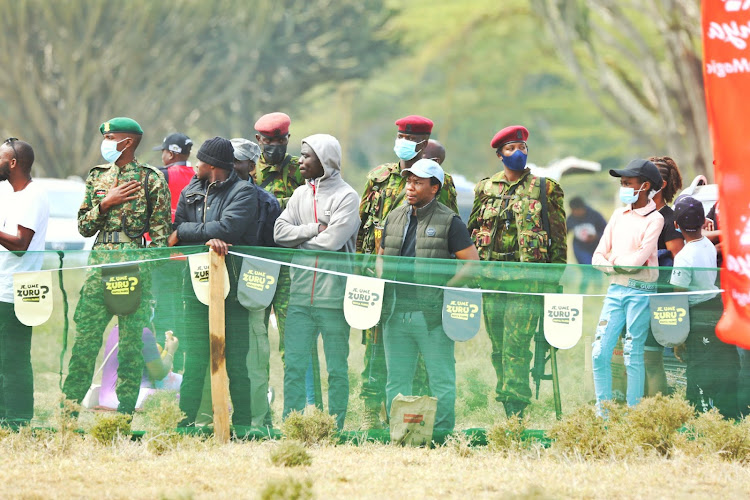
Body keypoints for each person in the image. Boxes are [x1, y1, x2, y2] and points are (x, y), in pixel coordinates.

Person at [63, 117, 172, 415]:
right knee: (85, 340)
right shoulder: (97, 176)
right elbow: (84, 227)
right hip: (99, 267)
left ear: (127, 142)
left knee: (131, 346)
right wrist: (106, 203)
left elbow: (161, 237)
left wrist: (144, 269)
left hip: (134, 269)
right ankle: (68, 411)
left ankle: (124, 414)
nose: (106, 143)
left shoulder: (150, 179)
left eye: (111, 138)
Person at [356, 115, 459, 428]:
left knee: (429, 368)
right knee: (376, 356)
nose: (403, 142)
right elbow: (363, 231)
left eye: (411, 138)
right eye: (400, 136)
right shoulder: (378, 178)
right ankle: (376, 419)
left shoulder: (442, 182)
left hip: (425, 294)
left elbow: (449, 232)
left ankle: (425, 424)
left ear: (425, 144)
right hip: (382, 289)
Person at [467, 125, 567, 417]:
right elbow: (473, 230)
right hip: (491, 278)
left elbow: (559, 238)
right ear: (500, 155)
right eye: (510, 149)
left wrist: (552, 281)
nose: (517, 153)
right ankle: (505, 396)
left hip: (527, 280)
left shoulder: (544, 188)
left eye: (522, 148)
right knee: (498, 346)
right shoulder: (485, 188)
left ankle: (516, 410)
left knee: (517, 345)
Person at [377, 159, 479, 431]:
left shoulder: (450, 221)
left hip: (432, 317)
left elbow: (471, 262)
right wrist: (381, 279)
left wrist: (445, 289)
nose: (410, 187)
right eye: (409, 181)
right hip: (395, 314)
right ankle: (399, 434)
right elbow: (381, 254)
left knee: (441, 380)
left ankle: (443, 434)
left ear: (434, 188)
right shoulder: (394, 217)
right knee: (396, 381)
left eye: (418, 183)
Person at [169, 136, 259, 427]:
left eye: (199, 161)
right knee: (194, 359)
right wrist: (203, 234)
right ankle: (184, 423)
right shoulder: (191, 189)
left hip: (233, 289)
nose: (195, 165)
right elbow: (174, 229)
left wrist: (189, 231)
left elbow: (229, 228)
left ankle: (243, 424)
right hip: (195, 287)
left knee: (236, 361)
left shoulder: (244, 192)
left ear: (211, 165)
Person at [274, 133, 360, 430]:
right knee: (294, 366)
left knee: (336, 368)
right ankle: (292, 424)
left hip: (333, 298)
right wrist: (311, 229)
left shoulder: (347, 196)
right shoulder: (299, 195)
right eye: (301, 154)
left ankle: (334, 426)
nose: (300, 160)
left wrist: (298, 243)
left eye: (307, 155)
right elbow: (279, 232)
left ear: (325, 160)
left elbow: (332, 242)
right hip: (299, 297)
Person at [590, 159, 664, 412]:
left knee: (633, 354)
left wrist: (613, 260)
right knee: (599, 352)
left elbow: (636, 263)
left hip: (641, 293)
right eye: (622, 183)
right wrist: (616, 264)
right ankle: (603, 413)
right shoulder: (618, 215)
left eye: (628, 183)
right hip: (615, 291)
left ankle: (634, 414)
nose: (624, 188)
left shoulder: (655, 219)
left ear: (644, 186)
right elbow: (596, 257)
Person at [670, 196, 738, 418]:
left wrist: (678, 340)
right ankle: (726, 415)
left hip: (697, 316)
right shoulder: (707, 244)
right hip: (716, 309)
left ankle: (700, 416)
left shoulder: (683, 258)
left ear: (676, 225)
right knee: (721, 365)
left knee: (698, 368)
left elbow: (679, 299)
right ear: (703, 223)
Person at [0, 138, 49, 424]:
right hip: (2, 288)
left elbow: (20, 244)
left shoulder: (33, 195)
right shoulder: (11, 194)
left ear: (13, 163)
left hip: (15, 291)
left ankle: (18, 420)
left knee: (14, 359)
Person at [231, 137, 279, 427]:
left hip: (252, 291)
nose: (231, 165)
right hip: (215, 290)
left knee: (255, 361)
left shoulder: (266, 202)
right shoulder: (209, 193)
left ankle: (259, 423)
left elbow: (273, 252)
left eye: (237, 160)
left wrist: (266, 296)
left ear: (251, 164)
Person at [253, 113, 304, 365]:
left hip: (290, 259)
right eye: (267, 141)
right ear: (257, 140)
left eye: (280, 140)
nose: (274, 146)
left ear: (287, 139)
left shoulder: (301, 169)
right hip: (256, 259)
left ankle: (300, 399)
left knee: (292, 331)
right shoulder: (248, 169)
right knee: (255, 330)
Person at [641, 156, 684, 397]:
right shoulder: (638, 216)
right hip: (635, 296)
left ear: (662, 184)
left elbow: (680, 264)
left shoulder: (670, 219)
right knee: (636, 360)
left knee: (652, 361)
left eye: (645, 180)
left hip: (661, 300)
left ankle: (656, 414)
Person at [97, 326, 181, 410]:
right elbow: (158, 373)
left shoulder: (117, 328)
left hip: (108, 396)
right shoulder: (143, 331)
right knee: (185, 399)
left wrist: (166, 349)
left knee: (188, 385)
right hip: (121, 398)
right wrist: (171, 350)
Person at [152, 132, 195, 221]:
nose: (162, 156)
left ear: (171, 154)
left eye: (163, 151)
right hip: (186, 231)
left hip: (162, 230)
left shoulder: (161, 175)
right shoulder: (197, 176)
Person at [567, 197, 607, 265]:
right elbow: (564, 232)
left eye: (577, 210)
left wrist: (596, 236)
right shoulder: (571, 218)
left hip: (595, 247)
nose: (575, 213)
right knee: (587, 266)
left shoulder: (595, 215)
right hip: (580, 248)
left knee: (597, 267)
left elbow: (606, 231)